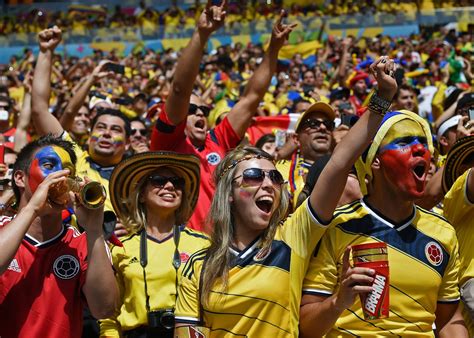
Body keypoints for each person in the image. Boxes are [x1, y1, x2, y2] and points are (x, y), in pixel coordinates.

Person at [174, 56, 396, 337]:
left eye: (274, 177)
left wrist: (382, 98)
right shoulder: (198, 264)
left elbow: (339, 162)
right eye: (254, 176)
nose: (267, 183)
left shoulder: (292, 238)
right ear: (228, 194)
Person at [300, 95, 466, 335]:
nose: (420, 149)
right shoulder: (339, 225)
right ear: (375, 161)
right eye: (405, 142)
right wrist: (338, 301)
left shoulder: (443, 232)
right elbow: (306, 327)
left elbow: (449, 321)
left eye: (422, 142)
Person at [150, 2, 296, 232]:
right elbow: (179, 89)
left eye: (204, 111)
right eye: (191, 110)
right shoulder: (166, 144)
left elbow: (252, 98)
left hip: (226, 248)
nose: (199, 113)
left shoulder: (218, 140)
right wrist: (202, 34)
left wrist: (273, 50)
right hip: (184, 251)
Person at [0, 135, 118, 338]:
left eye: (68, 171)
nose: (61, 176)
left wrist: (94, 230)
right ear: (20, 178)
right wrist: (33, 209)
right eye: (49, 165)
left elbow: (104, 309)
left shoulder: (84, 243)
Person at [99, 151, 209, 337]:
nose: (169, 186)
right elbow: (109, 316)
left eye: (177, 182)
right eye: (158, 180)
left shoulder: (204, 245)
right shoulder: (120, 248)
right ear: (141, 195)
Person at [31, 26, 131, 212]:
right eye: (100, 127)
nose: (107, 133)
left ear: (128, 142)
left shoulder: (136, 177)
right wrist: (46, 52)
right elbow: (39, 110)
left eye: (116, 130)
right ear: (90, 133)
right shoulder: (75, 156)